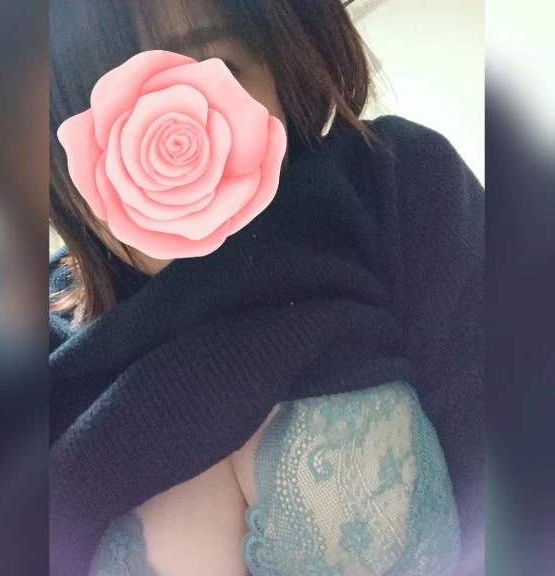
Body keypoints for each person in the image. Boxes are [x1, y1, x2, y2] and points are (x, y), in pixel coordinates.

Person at [49, 0, 484, 574]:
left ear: (281, 69)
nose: (175, 133)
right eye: (104, 103)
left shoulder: (395, 188)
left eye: (220, 69)